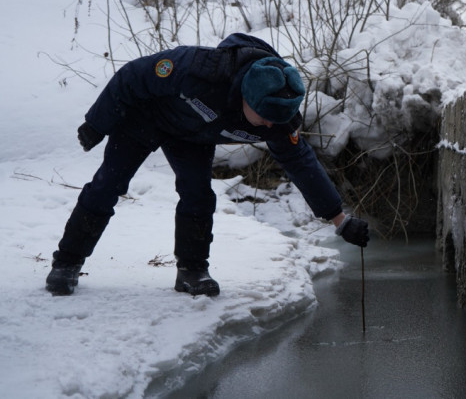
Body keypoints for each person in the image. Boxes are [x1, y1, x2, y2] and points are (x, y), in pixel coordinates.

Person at [45, 33, 370, 297]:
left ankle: (192, 271)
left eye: (278, 120)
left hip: (193, 138)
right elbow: (134, 75)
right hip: (144, 118)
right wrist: (97, 123)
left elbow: (301, 163)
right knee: (108, 185)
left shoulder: (279, 117)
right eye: (266, 118)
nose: (271, 127)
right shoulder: (198, 69)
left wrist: (339, 219)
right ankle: (67, 264)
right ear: (247, 97)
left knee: (199, 195)